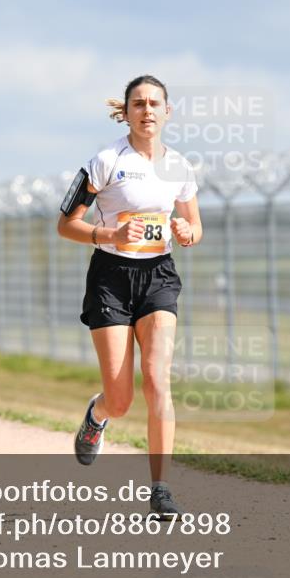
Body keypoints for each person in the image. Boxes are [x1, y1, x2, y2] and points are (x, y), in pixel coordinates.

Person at [56, 75, 202, 518]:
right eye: (138, 103)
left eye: (155, 103)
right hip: (111, 278)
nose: (147, 111)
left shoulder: (180, 167)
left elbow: (195, 226)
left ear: (167, 111)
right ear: (127, 110)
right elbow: (65, 224)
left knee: (158, 378)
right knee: (121, 398)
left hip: (158, 274)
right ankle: (97, 415)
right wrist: (109, 232)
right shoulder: (105, 161)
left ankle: (160, 489)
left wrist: (186, 231)